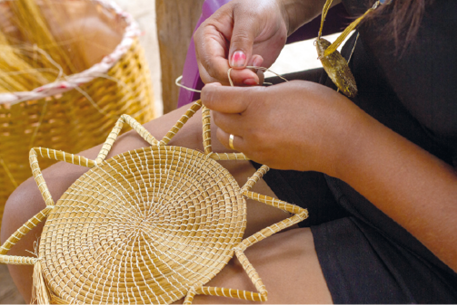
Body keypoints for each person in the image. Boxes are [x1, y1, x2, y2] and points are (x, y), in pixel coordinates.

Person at [2, 0, 456, 304]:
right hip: (367, 100)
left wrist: (346, 145)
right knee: (36, 222)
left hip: (437, 239)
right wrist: (280, 6)